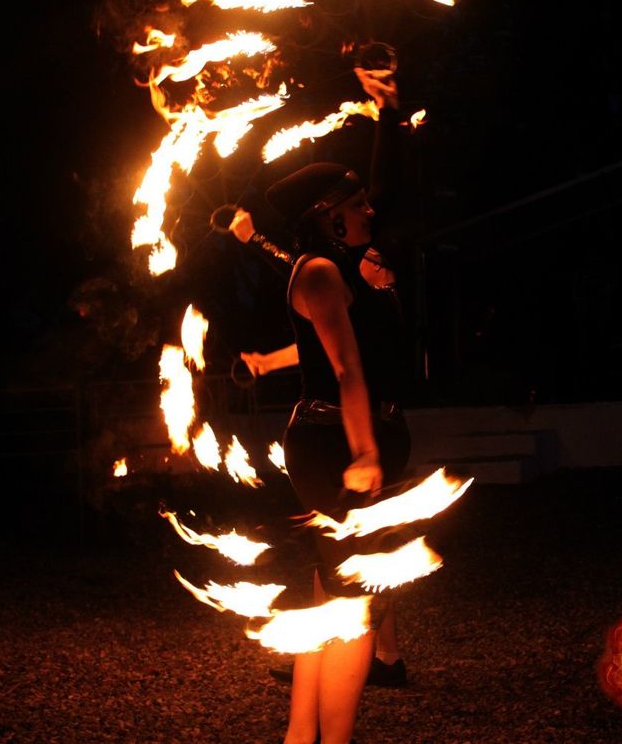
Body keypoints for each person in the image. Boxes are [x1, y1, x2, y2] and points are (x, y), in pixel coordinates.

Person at [231, 68, 410, 744]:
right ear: (328, 216)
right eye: (356, 205)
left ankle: (301, 736)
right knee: (353, 614)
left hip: (329, 443)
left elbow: (330, 352)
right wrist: (366, 452)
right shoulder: (322, 270)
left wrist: (390, 112)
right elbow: (345, 367)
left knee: (324, 603)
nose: (370, 212)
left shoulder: (335, 272)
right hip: (340, 446)